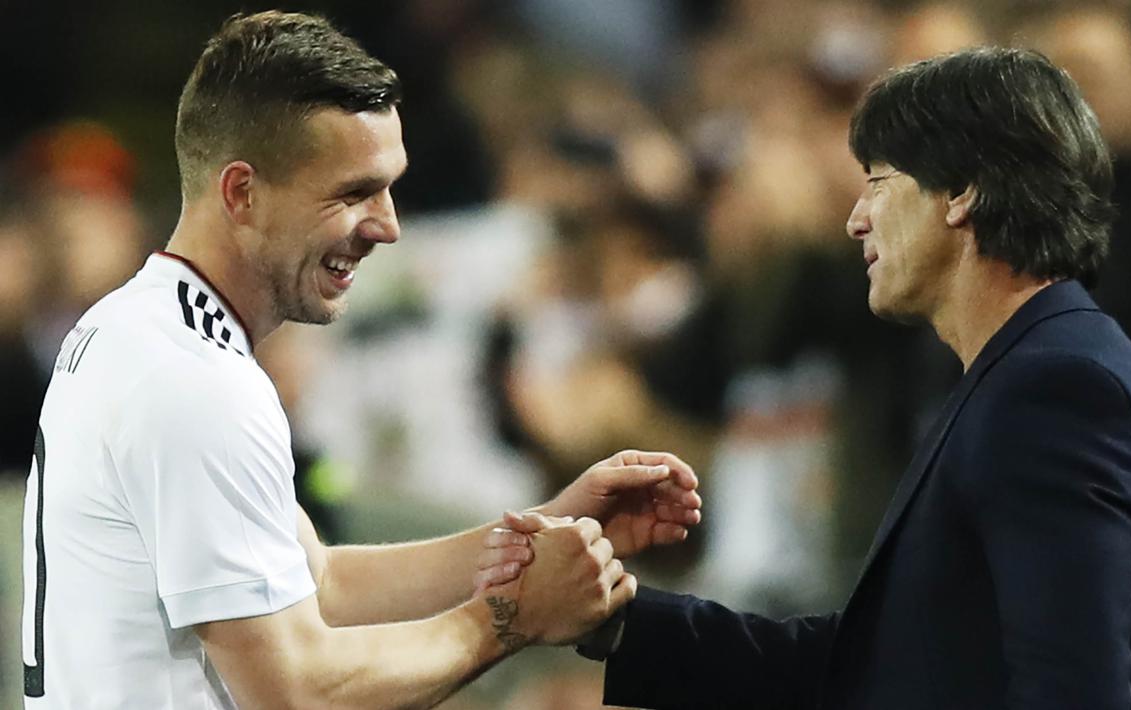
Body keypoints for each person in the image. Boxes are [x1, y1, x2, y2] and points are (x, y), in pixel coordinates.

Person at [19, 11, 701, 709]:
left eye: (389, 186)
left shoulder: (141, 328)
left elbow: (320, 583)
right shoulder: (194, 383)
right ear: (241, 193)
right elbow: (296, 690)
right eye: (352, 192)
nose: (387, 225)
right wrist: (512, 616)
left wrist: (540, 531)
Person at [494, 47, 1131, 708]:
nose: (856, 219)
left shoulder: (1056, 391)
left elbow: (1071, 696)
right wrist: (609, 613)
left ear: (960, 194)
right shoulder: (1032, 373)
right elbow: (877, 665)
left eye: (878, 183)